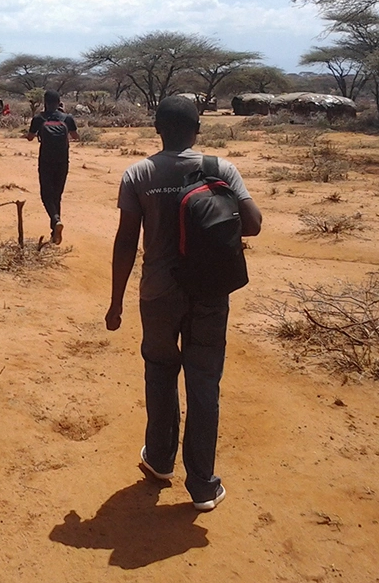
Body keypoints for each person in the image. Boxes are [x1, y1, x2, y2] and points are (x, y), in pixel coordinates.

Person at [104, 95, 262, 511]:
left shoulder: (137, 174)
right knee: (204, 382)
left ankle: (159, 461)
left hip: (156, 294)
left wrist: (116, 302)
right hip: (209, 293)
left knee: (159, 373)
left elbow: (126, 241)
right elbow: (254, 225)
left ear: (157, 127)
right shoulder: (220, 169)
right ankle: (203, 486)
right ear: (198, 129)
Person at [26, 90, 79, 244]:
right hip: (63, 161)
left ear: (45, 102)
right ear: (59, 102)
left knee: (46, 195)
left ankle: (55, 221)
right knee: (57, 196)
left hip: (46, 161)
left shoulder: (38, 118)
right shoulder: (67, 118)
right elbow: (76, 136)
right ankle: (54, 232)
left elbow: (30, 137)